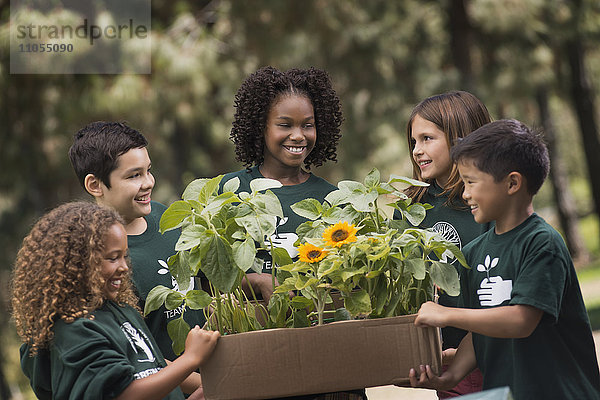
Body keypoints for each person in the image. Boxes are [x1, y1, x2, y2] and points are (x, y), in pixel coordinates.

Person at [408, 119, 600, 399]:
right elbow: (479, 330)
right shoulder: (473, 252)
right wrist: (449, 376)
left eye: (471, 182)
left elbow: (522, 319)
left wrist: (446, 314)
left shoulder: (541, 243)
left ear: (512, 183)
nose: (465, 193)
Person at [224, 66, 365, 400]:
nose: (298, 135)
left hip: (330, 367)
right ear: (260, 127)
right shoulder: (228, 193)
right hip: (256, 367)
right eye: (284, 125)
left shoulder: (333, 199)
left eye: (308, 125)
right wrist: (258, 281)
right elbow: (209, 279)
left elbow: (353, 281)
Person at [12, 202, 220, 399]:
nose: (124, 267)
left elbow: (150, 368)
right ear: (76, 263)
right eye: (113, 258)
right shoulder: (74, 331)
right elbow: (123, 394)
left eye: (124, 256)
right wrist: (191, 358)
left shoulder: (118, 309)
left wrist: (205, 390)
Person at [68, 122, 207, 395]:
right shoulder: (103, 263)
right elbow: (138, 351)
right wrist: (207, 385)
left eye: (148, 170)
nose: (148, 183)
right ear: (95, 185)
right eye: (134, 176)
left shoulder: (165, 216)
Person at [402, 91, 492, 397]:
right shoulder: (411, 208)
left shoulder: (490, 203)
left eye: (427, 139)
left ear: (461, 139)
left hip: (498, 352)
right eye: (413, 142)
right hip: (446, 359)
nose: (416, 151)